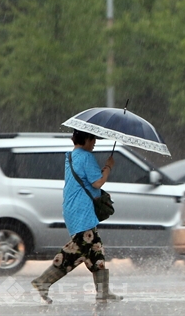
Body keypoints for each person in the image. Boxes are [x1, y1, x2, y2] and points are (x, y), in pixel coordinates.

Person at [31, 130, 122, 303]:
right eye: (93, 139)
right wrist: (109, 166)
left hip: (72, 209)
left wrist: (101, 170)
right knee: (75, 250)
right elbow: (97, 182)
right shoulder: (86, 157)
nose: (95, 142)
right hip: (82, 212)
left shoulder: (72, 156)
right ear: (86, 139)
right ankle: (43, 281)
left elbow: (87, 180)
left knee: (95, 250)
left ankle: (103, 292)